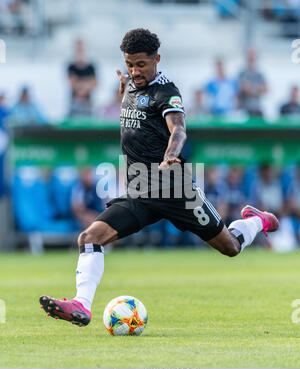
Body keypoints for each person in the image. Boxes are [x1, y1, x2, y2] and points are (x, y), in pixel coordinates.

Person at [39, 28, 279, 327]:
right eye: (129, 64)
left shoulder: (167, 91)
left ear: (157, 59)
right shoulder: (130, 82)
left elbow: (178, 128)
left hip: (175, 188)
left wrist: (171, 153)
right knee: (90, 237)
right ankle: (81, 305)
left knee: (230, 247)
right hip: (140, 190)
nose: (135, 71)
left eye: (141, 64)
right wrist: (125, 82)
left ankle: (256, 220)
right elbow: (131, 90)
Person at [67, 39, 98, 117]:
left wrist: (79, 83)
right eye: (78, 49)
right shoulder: (71, 66)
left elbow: (94, 84)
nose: (80, 51)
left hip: (88, 102)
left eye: (81, 49)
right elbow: (72, 84)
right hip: (74, 102)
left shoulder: (91, 66)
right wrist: (87, 82)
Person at [238, 49, 268, 117]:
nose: (251, 59)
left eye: (253, 57)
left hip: (257, 108)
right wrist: (258, 89)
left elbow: (266, 89)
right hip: (245, 109)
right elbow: (243, 88)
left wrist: (251, 88)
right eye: (250, 57)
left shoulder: (259, 74)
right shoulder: (242, 73)